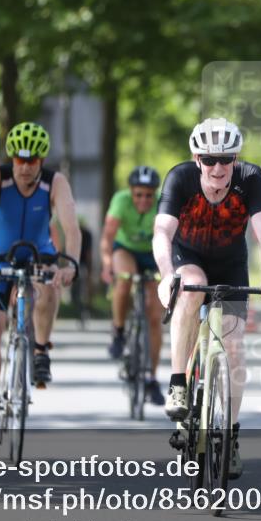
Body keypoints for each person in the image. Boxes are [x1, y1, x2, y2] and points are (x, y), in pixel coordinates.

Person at [154, 117, 261, 479]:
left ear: (235, 159)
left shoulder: (251, 178)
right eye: (209, 159)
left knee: (235, 346)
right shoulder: (180, 178)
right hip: (188, 257)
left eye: (225, 159)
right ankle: (178, 384)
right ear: (197, 159)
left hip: (230, 264)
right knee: (191, 286)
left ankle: (230, 436)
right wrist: (167, 275)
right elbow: (162, 232)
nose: (217, 167)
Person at [0, 121, 81, 444]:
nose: (25, 167)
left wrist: (70, 263)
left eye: (32, 161)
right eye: (19, 159)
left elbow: (71, 228)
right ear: (12, 158)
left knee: (48, 287)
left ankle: (41, 349)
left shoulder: (55, 182)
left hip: (38, 256)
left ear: (41, 161)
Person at [100, 166, 165, 406]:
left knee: (155, 316)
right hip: (125, 250)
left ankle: (151, 378)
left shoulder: (163, 202)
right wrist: (107, 264)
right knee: (124, 279)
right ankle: (118, 331)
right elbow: (108, 236)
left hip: (153, 253)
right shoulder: (120, 200)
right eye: (138, 194)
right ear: (130, 192)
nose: (143, 200)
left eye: (148, 195)